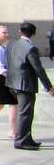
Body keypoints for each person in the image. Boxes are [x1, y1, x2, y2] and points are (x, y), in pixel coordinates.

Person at [5, 22, 54, 150]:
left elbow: (8, 62)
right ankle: (21, 141)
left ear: (20, 32)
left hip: (12, 83)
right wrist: (49, 87)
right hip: (25, 85)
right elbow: (38, 69)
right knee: (25, 113)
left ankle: (27, 138)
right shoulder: (31, 48)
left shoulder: (11, 44)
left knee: (25, 113)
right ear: (34, 34)